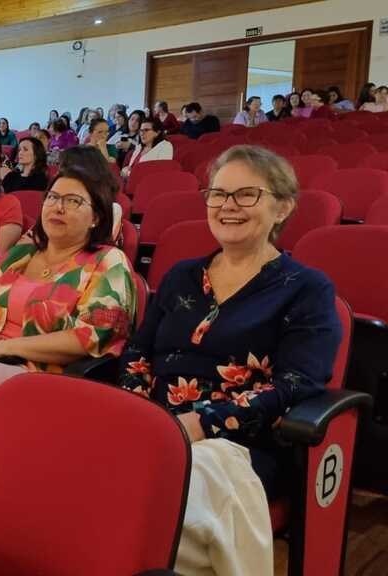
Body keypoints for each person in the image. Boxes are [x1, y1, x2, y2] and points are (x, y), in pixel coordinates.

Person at [118, 145, 341, 575]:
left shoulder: (306, 288)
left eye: (246, 195)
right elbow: (139, 353)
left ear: (283, 208)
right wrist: (139, 412)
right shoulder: (182, 275)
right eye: (218, 194)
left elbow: (298, 384)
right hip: (153, 427)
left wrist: (201, 423)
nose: (227, 206)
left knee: (144, 498)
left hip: (237, 447)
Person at [0, 156, 135, 445]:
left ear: (96, 216)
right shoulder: (21, 255)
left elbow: (92, 336)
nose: (58, 207)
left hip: (39, 379)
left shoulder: (106, 261)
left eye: (73, 201)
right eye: (53, 197)